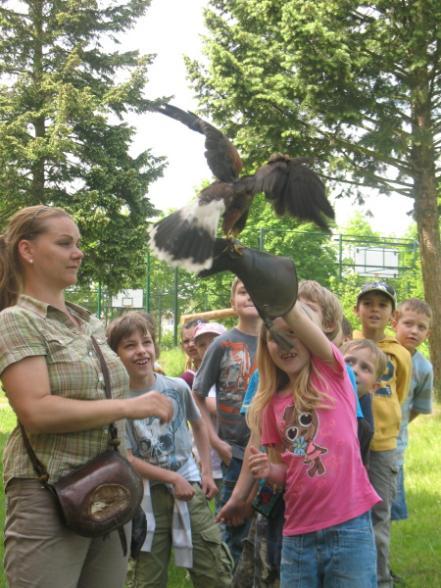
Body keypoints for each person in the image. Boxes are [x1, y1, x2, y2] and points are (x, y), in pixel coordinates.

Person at [0, 205, 173, 588]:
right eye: (64, 244)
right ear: (27, 250)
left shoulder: (89, 324)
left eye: (77, 243)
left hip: (109, 486)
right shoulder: (17, 320)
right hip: (47, 490)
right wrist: (129, 406)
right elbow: (36, 410)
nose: (78, 252)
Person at [248, 298, 380, 587]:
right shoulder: (271, 406)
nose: (284, 343)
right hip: (297, 536)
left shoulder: (333, 376)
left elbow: (314, 337)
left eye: (293, 332)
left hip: (350, 527)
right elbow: (285, 471)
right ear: (265, 347)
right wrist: (268, 472)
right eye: (274, 337)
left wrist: (277, 295)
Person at [107, 311, 233, 588]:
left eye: (146, 342)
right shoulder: (117, 402)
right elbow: (126, 457)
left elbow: (198, 426)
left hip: (189, 489)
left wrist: (207, 472)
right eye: (130, 345)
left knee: (214, 570)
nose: (141, 351)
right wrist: (171, 479)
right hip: (144, 497)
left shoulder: (176, 388)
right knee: (146, 576)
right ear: (115, 354)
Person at [193, 277, 260, 566]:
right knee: (231, 525)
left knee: (263, 528)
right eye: (244, 291)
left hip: (268, 451)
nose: (250, 296)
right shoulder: (222, 344)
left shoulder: (279, 341)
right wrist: (216, 442)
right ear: (233, 302)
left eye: (257, 290)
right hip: (233, 451)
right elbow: (196, 396)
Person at [353, 281, 412, 588]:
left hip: (382, 446)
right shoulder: (345, 346)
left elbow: (399, 393)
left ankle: (379, 579)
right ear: (357, 310)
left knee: (379, 513)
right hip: (349, 444)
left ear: (392, 315)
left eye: (382, 304)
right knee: (348, 511)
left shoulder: (399, 354)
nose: (374, 309)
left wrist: (385, 424)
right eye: (368, 303)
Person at [391, 299, 433, 523]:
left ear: (428, 332)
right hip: (363, 440)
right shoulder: (380, 353)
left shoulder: (424, 368)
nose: (414, 331)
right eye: (408, 323)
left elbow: (417, 407)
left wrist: (399, 420)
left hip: (394, 445)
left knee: (385, 510)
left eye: (421, 327)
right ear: (395, 321)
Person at [192, 321, 227, 498]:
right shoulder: (203, 377)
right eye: (201, 345)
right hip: (210, 459)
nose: (208, 348)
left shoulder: (231, 373)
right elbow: (213, 406)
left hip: (230, 455)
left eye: (214, 342)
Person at [342, 338, 388, 463]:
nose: (354, 370)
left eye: (365, 368)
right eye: (349, 361)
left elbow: (360, 467)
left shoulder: (364, 427)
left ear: (374, 386)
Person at [180, 318, 206, 388]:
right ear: (182, 346)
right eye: (186, 341)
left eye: (195, 339)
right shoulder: (187, 379)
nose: (190, 344)